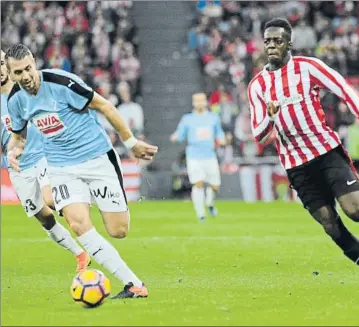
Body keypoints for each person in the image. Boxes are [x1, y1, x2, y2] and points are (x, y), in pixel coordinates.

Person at [247, 18, 359, 299]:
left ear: (289, 42)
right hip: (296, 166)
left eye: (277, 40)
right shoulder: (257, 86)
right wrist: (271, 116)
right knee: (330, 225)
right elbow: (258, 134)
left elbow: (346, 90)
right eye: (267, 40)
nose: (271, 45)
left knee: (354, 212)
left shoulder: (308, 68)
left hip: (326, 152)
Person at [5, 44, 158, 299]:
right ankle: (134, 284)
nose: (26, 76)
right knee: (77, 223)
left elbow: (105, 106)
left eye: (28, 68)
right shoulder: (16, 100)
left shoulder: (62, 83)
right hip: (61, 166)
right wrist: (13, 150)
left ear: (34, 62)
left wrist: (131, 143)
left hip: (97, 158)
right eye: (19, 72)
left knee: (118, 231)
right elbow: (18, 136)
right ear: (11, 75)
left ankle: (96, 202)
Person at [1, 49, 90, 273]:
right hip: (19, 167)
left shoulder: (26, 88)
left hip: (43, 154)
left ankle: (82, 212)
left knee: (51, 199)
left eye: (1, 64)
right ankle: (80, 254)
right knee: (43, 217)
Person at [170, 92, 226, 220]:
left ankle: (210, 203)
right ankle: (200, 213)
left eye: (202, 100)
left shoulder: (213, 118)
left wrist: (222, 139)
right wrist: (175, 137)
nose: (199, 103)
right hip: (194, 155)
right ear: (193, 103)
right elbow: (180, 133)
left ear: (206, 102)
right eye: (197, 101)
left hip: (210, 155)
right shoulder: (187, 119)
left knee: (214, 185)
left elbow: (219, 133)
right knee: (198, 183)